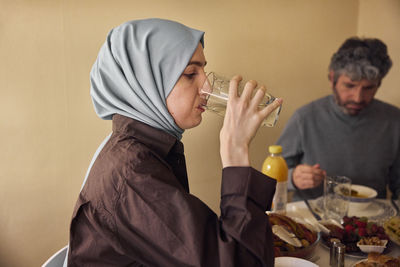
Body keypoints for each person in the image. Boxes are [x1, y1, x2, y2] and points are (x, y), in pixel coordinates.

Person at [65, 18, 282, 266]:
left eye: (203, 71)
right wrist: (235, 152)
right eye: (191, 74)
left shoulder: (137, 149)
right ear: (146, 81)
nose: (207, 85)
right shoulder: (132, 174)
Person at [277, 37, 400, 201]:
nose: (357, 98)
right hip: (312, 219)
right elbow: (270, 177)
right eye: (349, 85)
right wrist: (293, 178)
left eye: (369, 88)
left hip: (371, 221)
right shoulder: (304, 118)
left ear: (379, 84)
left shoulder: (394, 120)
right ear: (332, 78)